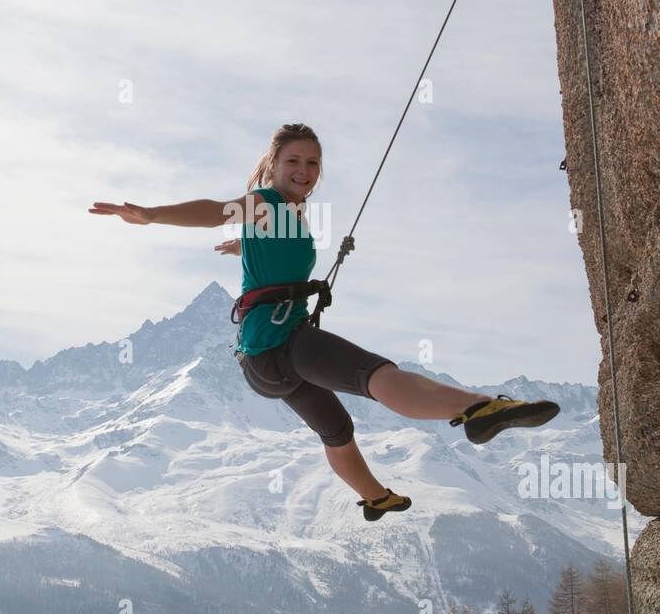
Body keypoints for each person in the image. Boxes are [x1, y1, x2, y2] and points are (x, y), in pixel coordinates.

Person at [89, 122, 559, 522]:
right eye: (294, 160)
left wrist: (244, 246)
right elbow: (216, 211)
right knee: (376, 375)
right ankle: (478, 409)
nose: (304, 171)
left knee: (336, 429)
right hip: (281, 343)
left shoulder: (287, 214)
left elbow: (264, 245)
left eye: (313, 164)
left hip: (263, 363)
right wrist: (151, 214)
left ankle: (374, 498)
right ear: (273, 163)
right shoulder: (263, 202)